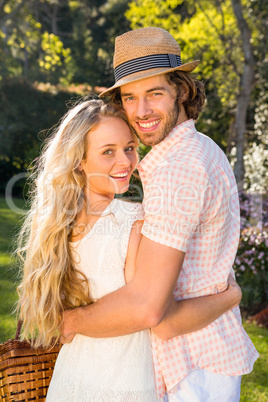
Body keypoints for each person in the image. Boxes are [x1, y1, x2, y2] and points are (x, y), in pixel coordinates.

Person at [60, 27, 259, 401]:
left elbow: (154, 311)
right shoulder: (197, 150)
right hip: (199, 361)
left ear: (181, 90)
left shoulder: (178, 168)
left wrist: (69, 321)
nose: (141, 111)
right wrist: (229, 298)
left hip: (192, 367)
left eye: (155, 93)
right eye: (130, 97)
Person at [17, 99, 240, 401]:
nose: (125, 161)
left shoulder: (54, 229)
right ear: (79, 161)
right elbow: (162, 319)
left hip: (71, 380)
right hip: (126, 384)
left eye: (130, 148)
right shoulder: (135, 223)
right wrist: (231, 296)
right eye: (108, 151)